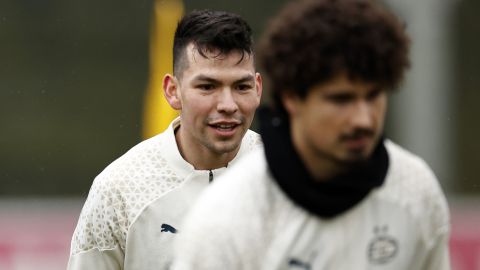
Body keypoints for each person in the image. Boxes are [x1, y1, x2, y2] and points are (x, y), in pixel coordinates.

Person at [172, 0, 450, 269]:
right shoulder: (227, 217)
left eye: (373, 96)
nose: (363, 119)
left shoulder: (416, 190)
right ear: (292, 97)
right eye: (341, 100)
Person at [67, 9, 262, 270]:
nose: (228, 104)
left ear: (258, 89)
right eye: (207, 87)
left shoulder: (288, 175)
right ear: (173, 91)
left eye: (241, 87)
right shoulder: (119, 191)